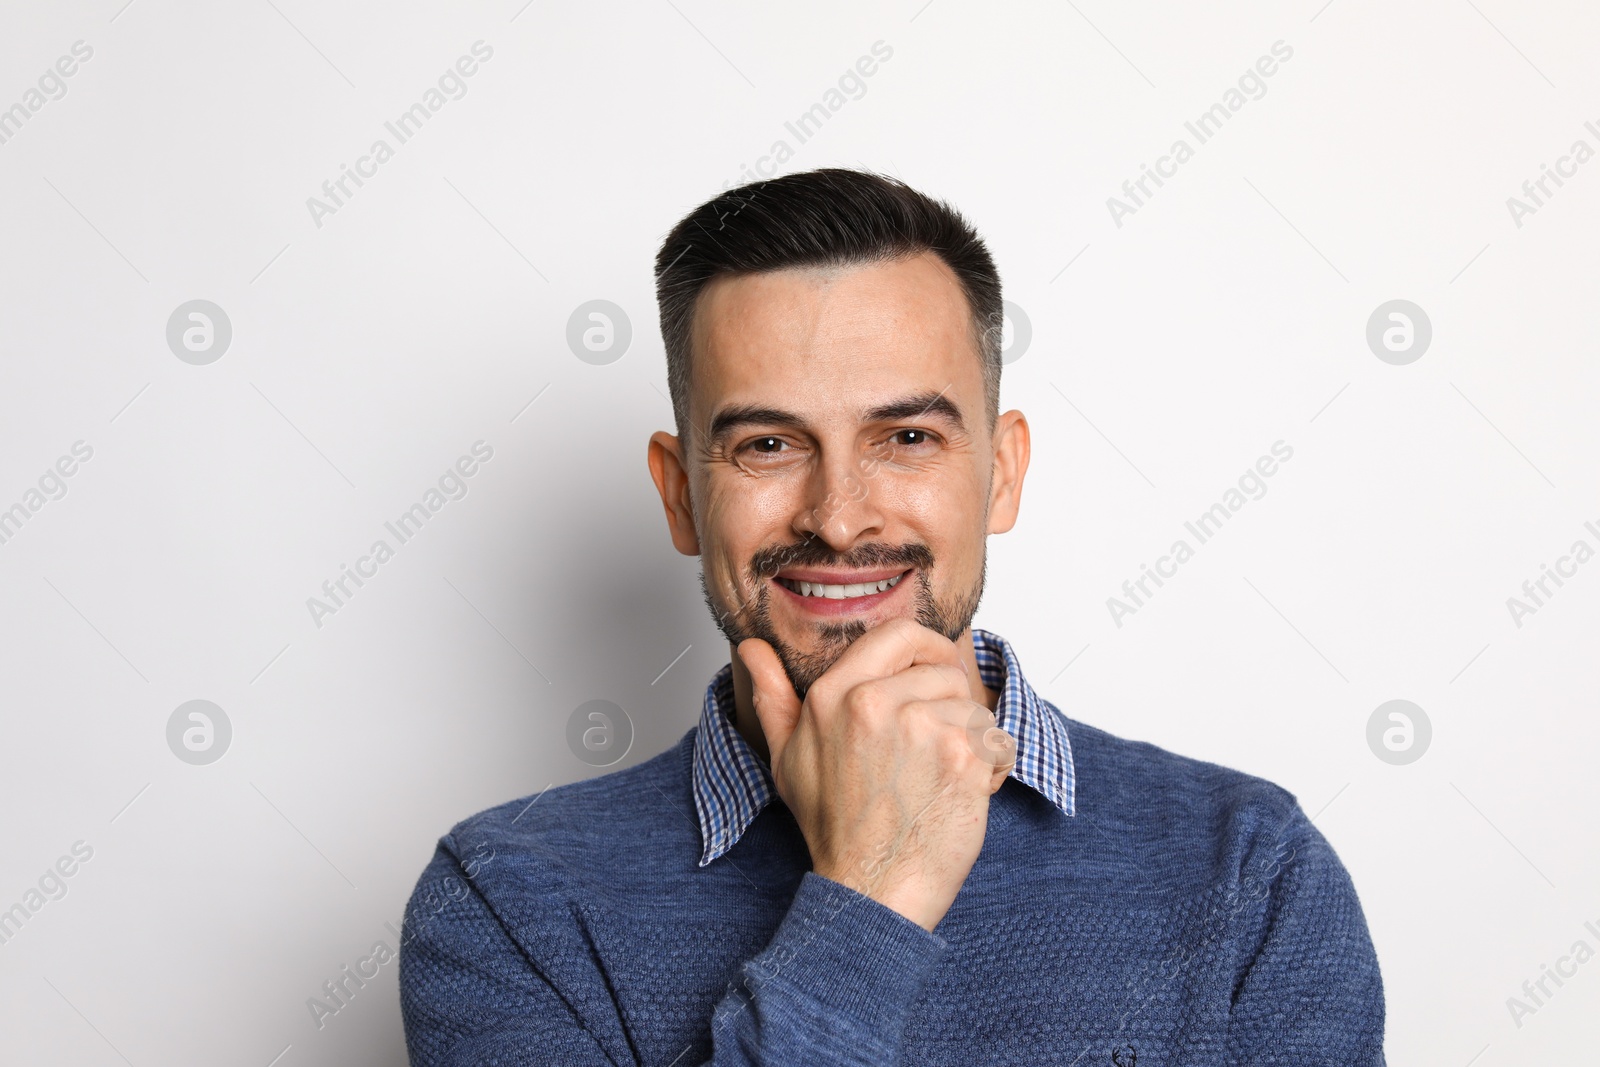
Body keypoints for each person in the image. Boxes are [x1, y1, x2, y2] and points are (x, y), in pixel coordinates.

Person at [399, 168, 1385, 1065]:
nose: (837, 515)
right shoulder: (510, 903)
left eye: (906, 435)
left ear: (999, 473)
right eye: (769, 443)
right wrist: (872, 891)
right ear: (678, 496)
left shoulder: (1249, 870)